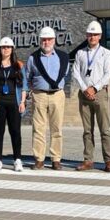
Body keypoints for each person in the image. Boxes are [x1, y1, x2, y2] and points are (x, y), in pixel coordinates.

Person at [72, 21, 110, 172]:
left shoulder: (106, 52)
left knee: (105, 129)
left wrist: (94, 88)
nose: (92, 37)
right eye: (90, 34)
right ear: (86, 35)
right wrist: (85, 88)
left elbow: (107, 73)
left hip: (100, 93)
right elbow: (75, 72)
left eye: (95, 34)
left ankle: (108, 161)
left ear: (100, 36)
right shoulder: (80, 53)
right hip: (84, 94)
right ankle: (88, 160)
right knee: (87, 130)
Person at [27, 26, 70, 170]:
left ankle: (56, 159)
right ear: (40, 40)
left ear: (54, 40)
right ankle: (39, 159)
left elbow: (66, 75)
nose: (46, 42)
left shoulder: (63, 56)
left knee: (56, 128)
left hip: (57, 95)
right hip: (39, 95)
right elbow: (28, 77)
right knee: (38, 128)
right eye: (44, 39)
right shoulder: (33, 57)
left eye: (49, 39)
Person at [0, 37, 28, 172]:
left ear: (12, 49)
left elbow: (24, 86)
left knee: (15, 132)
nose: (6, 49)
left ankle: (17, 160)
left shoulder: (18, 66)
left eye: (8, 47)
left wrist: (22, 102)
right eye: (3, 47)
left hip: (14, 103)